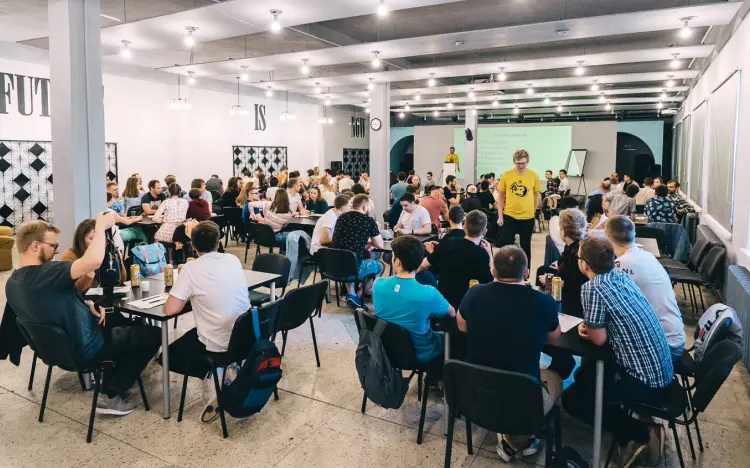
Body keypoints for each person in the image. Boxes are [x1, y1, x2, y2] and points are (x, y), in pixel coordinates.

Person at [6, 217, 161, 416]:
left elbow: (52, 305)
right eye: (53, 245)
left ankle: (110, 375)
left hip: (55, 351)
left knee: (117, 320)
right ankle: (111, 395)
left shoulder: (13, 284)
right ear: (35, 246)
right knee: (152, 335)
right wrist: (101, 227)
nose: (56, 250)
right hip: (88, 349)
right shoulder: (45, 273)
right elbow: (93, 261)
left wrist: (87, 305)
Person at [563, 237, 674, 467]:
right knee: (586, 375)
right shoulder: (621, 277)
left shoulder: (592, 288)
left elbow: (599, 339)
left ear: (584, 264)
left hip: (642, 380)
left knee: (572, 399)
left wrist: (588, 328)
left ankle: (639, 432)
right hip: (661, 368)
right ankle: (626, 428)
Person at [457, 245, 566, 461]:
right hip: (523, 395)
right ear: (526, 273)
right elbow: (553, 338)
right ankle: (522, 436)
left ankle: (510, 435)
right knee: (561, 370)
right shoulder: (544, 301)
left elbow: (462, 326)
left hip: (476, 390)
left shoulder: (475, 292)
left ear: (493, 271)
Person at [164, 220, 250, 423]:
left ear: (192, 246)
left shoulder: (191, 269)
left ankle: (217, 377)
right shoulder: (232, 260)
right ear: (219, 242)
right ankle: (226, 372)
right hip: (246, 337)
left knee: (168, 355)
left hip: (218, 345)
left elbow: (170, 309)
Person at [373, 236, 455, 380]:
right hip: (420, 354)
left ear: (397, 262)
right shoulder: (429, 293)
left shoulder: (378, 284)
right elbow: (452, 313)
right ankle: (438, 381)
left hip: (384, 348)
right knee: (450, 338)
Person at [605, 216, 686, 357]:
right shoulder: (647, 256)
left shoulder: (622, 264)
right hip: (674, 337)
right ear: (634, 234)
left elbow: (612, 309)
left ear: (608, 237)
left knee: (598, 343)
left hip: (663, 347)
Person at [419, 210, 493, 308]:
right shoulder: (482, 254)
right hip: (467, 303)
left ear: (464, 227)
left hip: (444, 301)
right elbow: (490, 281)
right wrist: (490, 255)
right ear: (484, 231)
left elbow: (423, 265)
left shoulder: (448, 243)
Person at [331, 194, 384, 309]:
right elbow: (380, 245)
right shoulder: (368, 221)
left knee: (349, 258)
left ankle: (351, 294)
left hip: (334, 264)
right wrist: (370, 242)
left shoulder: (341, 217)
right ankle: (358, 295)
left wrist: (364, 243)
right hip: (354, 266)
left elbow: (345, 241)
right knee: (380, 266)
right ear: (365, 207)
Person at [539, 208, 589, 318]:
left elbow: (568, 283)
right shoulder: (576, 245)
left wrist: (549, 280)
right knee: (543, 269)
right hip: (574, 284)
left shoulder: (574, 253)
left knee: (542, 276)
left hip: (573, 297)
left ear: (563, 232)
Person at [496, 149, 542, 264]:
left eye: (523, 163)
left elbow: (537, 195)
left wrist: (534, 211)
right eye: (518, 163)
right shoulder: (506, 175)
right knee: (506, 246)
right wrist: (500, 216)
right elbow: (501, 196)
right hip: (509, 215)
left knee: (526, 246)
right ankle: (506, 272)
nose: (520, 166)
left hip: (527, 217)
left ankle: (525, 274)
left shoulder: (533, 176)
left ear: (527, 162)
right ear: (514, 162)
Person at [60, 219, 127, 293]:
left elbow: (122, 279)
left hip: (101, 299)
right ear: (81, 239)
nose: (97, 242)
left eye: (100, 238)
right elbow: (73, 289)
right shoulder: (69, 256)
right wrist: (91, 268)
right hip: (80, 301)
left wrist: (117, 260)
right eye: (91, 238)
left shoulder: (106, 253)